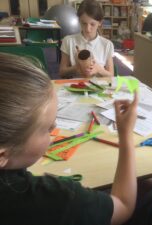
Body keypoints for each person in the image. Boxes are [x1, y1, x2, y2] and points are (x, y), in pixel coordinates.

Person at [0, 52, 137, 225]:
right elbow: (124, 206)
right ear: (2, 156)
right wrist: (126, 135)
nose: (55, 127)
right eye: (47, 129)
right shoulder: (59, 198)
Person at [59, 0, 114, 78]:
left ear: (100, 22)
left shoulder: (107, 45)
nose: (88, 29)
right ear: (79, 21)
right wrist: (76, 67)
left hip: (99, 87)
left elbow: (111, 76)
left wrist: (98, 69)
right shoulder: (68, 41)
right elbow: (62, 72)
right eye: (84, 23)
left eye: (92, 24)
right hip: (76, 87)